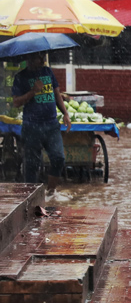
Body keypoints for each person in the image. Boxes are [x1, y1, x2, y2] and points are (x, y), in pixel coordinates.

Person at [11, 51, 72, 201]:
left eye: (43, 57)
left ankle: (50, 193)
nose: (43, 60)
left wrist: (65, 113)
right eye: (40, 58)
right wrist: (33, 91)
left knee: (58, 158)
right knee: (32, 165)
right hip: (32, 127)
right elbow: (16, 102)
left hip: (51, 125)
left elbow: (56, 93)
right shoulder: (20, 77)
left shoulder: (48, 72)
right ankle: (31, 198)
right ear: (30, 58)